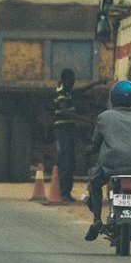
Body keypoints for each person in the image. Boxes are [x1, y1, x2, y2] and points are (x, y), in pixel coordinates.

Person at [84, 79, 131, 243]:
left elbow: (96, 142)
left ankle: (97, 219)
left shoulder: (104, 117)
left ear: (112, 98)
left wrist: (90, 150)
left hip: (110, 168)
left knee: (94, 182)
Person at [50, 68, 83, 203]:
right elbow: (64, 112)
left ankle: (66, 193)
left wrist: (96, 83)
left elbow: (81, 91)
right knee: (65, 161)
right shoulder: (62, 92)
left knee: (70, 162)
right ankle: (62, 193)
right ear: (66, 80)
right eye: (71, 79)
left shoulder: (67, 91)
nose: (73, 82)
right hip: (63, 130)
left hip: (68, 130)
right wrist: (84, 119)